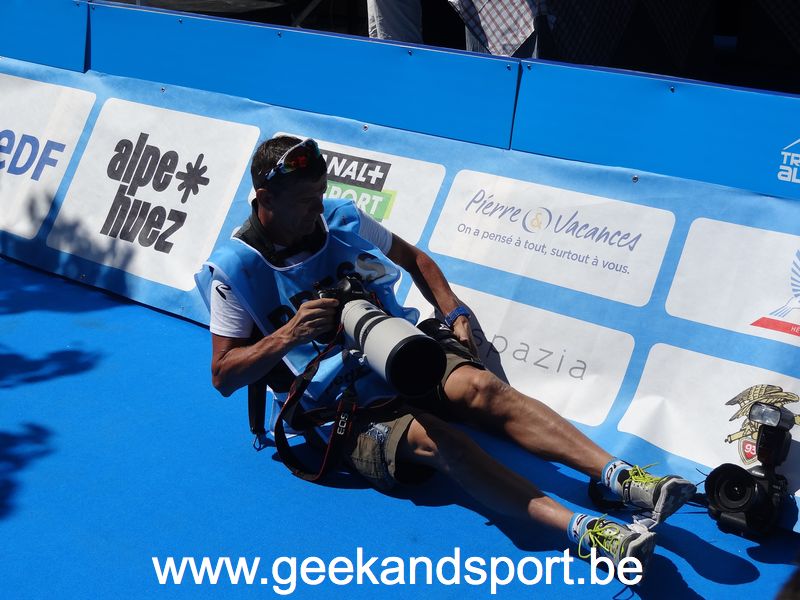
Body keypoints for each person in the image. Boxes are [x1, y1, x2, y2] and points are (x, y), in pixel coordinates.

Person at [196, 135, 696, 576]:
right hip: (340, 401)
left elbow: (416, 260)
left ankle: (620, 477)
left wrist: (452, 309)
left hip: (400, 351)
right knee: (444, 442)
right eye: (306, 202)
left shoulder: (341, 218)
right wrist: (288, 335)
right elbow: (223, 376)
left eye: (321, 195)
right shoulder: (236, 270)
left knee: (484, 388)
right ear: (265, 199)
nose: (317, 209)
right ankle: (589, 533)